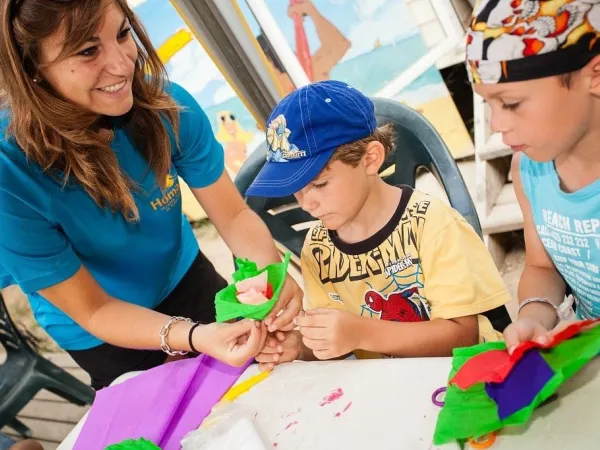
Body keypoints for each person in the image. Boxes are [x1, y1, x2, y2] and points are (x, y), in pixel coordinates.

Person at [0, 0, 302, 389]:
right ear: (31, 68)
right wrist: (192, 336)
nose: (124, 64)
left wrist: (269, 276)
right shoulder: (9, 172)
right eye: (89, 51)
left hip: (185, 277)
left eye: (123, 33)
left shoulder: (168, 106)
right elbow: (95, 311)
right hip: (99, 329)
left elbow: (233, 217)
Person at [245, 80, 511, 369]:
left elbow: (463, 336)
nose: (306, 203)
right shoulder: (318, 248)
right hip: (386, 387)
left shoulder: (432, 223)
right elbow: (338, 340)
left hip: (469, 375)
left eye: (319, 184)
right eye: (295, 188)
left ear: (371, 159)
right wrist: (300, 344)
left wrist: (361, 332)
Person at [464, 0, 600, 353]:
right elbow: (542, 266)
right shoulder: (528, 170)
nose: (497, 125)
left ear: (595, 75)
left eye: (510, 103)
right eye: (488, 105)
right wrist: (534, 317)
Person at [256, 0, 350, 94]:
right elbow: (340, 45)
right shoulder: (305, 73)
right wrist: (310, 10)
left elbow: (340, 46)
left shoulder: (270, 89)